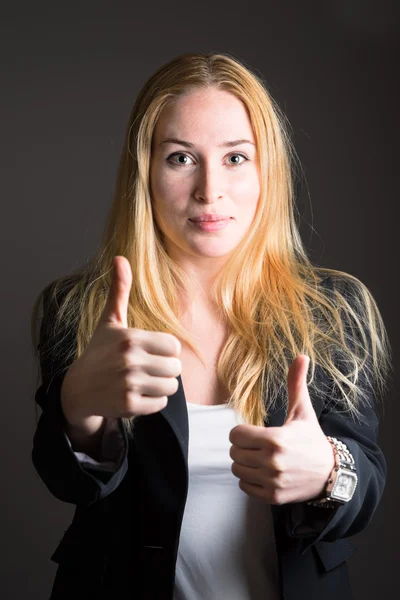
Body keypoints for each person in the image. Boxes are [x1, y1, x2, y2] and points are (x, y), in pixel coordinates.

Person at [31, 52, 392, 600]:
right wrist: (78, 407)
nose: (209, 190)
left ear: (266, 168)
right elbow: (68, 484)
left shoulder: (335, 310)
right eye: (180, 158)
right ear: (144, 172)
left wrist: (327, 472)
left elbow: (365, 482)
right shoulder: (79, 308)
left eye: (235, 158)